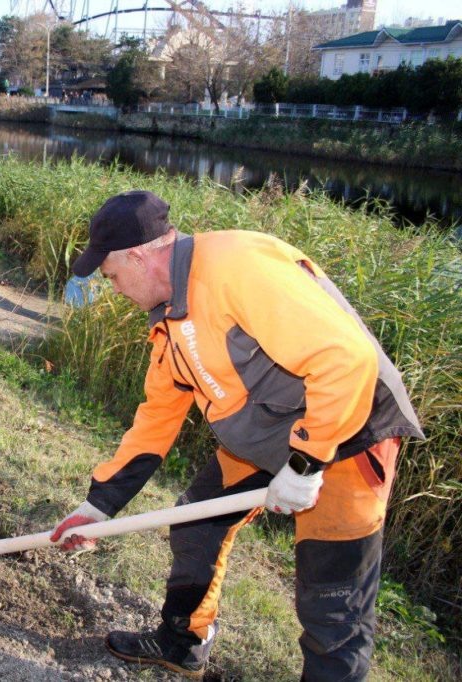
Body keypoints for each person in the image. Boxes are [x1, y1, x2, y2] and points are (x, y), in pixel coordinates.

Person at [50, 191, 423, 681]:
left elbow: (346, 359)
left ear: (138, 256)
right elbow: (157, 418)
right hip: (268, 435)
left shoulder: (236, 266)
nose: (112, 286)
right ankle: (183, 642)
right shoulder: (169, 315)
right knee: (196, 523)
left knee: (332, 607)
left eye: (111, 274)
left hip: (348, 432)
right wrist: (99, 506)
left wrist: (307, 463)